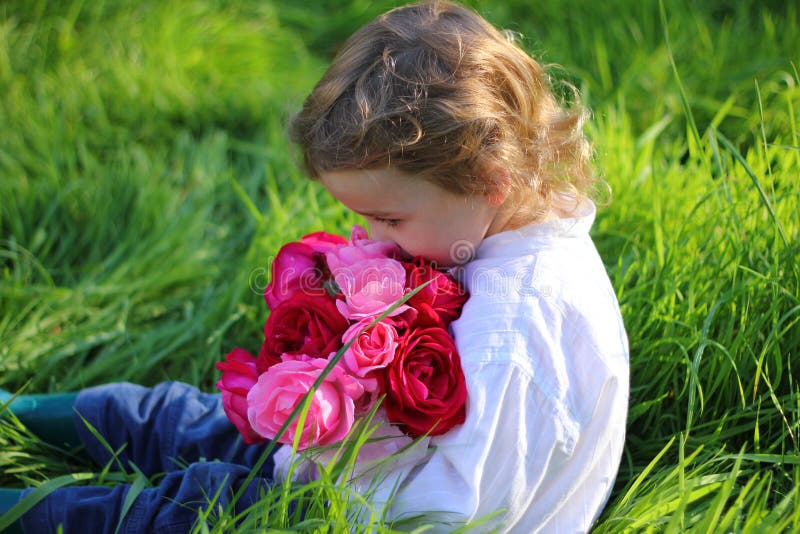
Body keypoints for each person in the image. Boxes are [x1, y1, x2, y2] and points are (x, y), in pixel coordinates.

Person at [0, 1, 629, 532]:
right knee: (204, 420)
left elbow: (452, 514)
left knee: (191, 503)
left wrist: (332, 452)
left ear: (492, 178)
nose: (373, 235)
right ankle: (19, 412)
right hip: (375, 464)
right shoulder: (491, 231)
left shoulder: (516, 333)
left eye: (389, 219)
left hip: (365, 507)